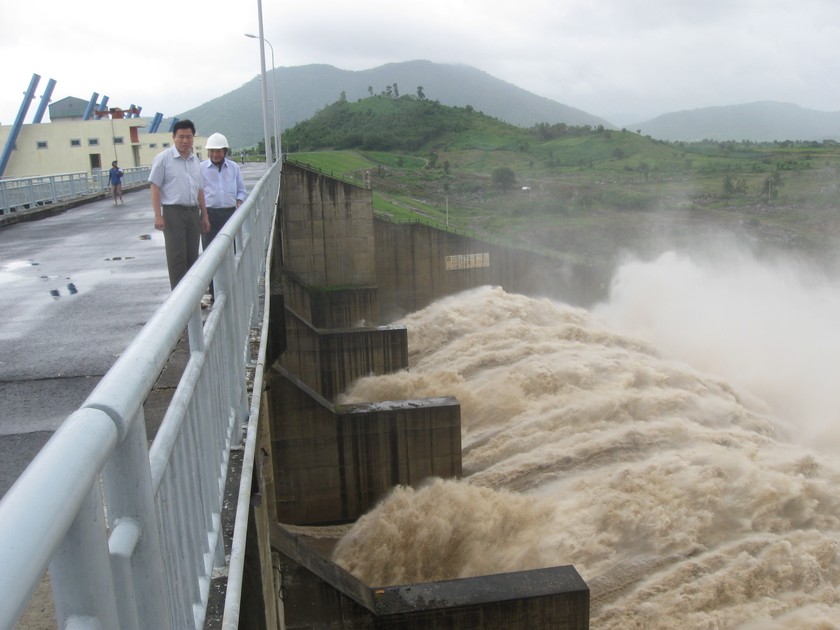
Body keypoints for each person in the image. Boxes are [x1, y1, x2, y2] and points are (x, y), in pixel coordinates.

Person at [148, 120, 210, 289]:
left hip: (192, 213)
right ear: (173, 137)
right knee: (177, 259)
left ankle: (192, 299)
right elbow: (154, 187)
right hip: (173, 213)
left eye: (188, 137)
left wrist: (204, 216)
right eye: (181, 137)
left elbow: (200, 191)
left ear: (193, 138)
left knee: (192, 257)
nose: (185, 141)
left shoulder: (195, 161)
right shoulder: (163, 159)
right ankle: (178, 301)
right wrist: (158, 215)